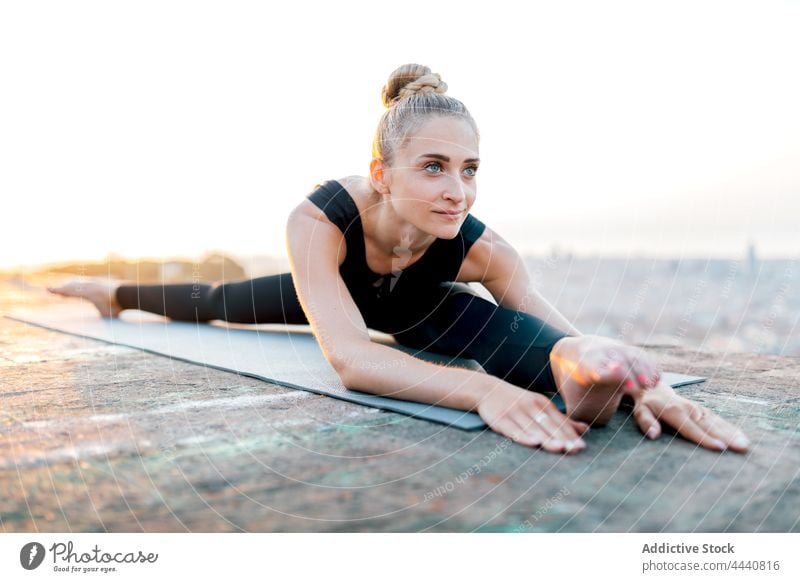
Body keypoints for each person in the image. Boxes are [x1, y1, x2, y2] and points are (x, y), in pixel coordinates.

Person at [48, 63, 750, 455]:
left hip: (422, 310)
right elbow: (350, 358)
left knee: (510, 338)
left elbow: (550, 324)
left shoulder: (480, 248)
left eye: (470, 169)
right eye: (434, 167)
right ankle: (115, 292)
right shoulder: (321, 219)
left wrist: (635, 382)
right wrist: (481, 392)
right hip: (340, 297)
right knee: (216, 303)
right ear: (382, 172)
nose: (457, 191)